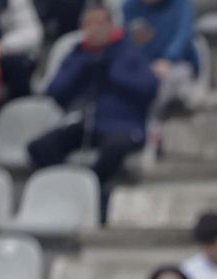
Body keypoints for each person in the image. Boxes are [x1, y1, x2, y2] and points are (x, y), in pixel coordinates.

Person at [29, 4, 158, 191]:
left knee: (116, 147)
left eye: (100, 23)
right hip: (85, 122)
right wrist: (81, 70)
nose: (95, 29)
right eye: (89, 24)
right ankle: (69, 186)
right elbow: (54, 91)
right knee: (40, 147)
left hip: (122, 124)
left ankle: (92, 186)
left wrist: (113, 73)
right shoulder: (78, 54)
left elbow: (150, 88)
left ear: (111, 26)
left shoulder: (128, 51)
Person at [123, 0, 200, 121]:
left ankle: (155, 121)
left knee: (164, 82)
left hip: (179, 63)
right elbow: (128, 39)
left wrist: (169, 59)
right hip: (145, 64)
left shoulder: (181, 4)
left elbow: (184, 34)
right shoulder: (130, 5)